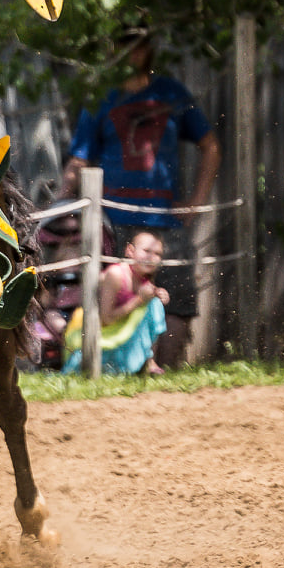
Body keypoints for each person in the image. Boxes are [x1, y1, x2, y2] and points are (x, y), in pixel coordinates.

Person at [62, 26, 221, 369]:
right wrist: (59, 206)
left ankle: (166, 375)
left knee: (177, 300)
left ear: (149, 49)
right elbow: (79, 159)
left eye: (137, 45)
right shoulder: (102, 97)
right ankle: (120, 372)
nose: (131, 53)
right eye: (124, 45)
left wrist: (196, 200)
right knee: (113, 298)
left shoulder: (171, 93)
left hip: (167, 222)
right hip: (114, 222)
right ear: (113, 51)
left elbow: (210, 146)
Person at [61, 230, 169, 375]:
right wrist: (139, 299)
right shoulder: (116, 274)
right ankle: (146, 362)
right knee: (151, 303)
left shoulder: (144, 275)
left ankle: (149, 361)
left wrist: (158, 293)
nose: (152, 257)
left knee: (155, 303)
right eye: (146, 251)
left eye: (158, 254)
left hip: (120, 332)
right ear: (130, 251)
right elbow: (106, 319)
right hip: (97, 333)